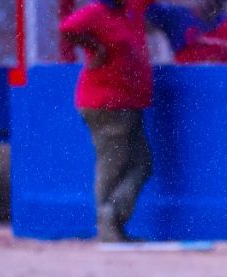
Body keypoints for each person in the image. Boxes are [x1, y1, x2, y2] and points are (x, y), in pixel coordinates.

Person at [59, 0, 158, 243]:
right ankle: (108, 224)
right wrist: (95, 46)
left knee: (142, 164)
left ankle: (112, 217)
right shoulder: (97, 11)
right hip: (106, 103)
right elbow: (67, 28)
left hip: (128, 103)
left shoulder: (130, 9)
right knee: (112, 165)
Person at [147, 0, 227, 64]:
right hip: (188, 84)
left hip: (221, 85)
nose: (214, 5)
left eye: (220, 3)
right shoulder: (179, 17)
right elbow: (144, 13)